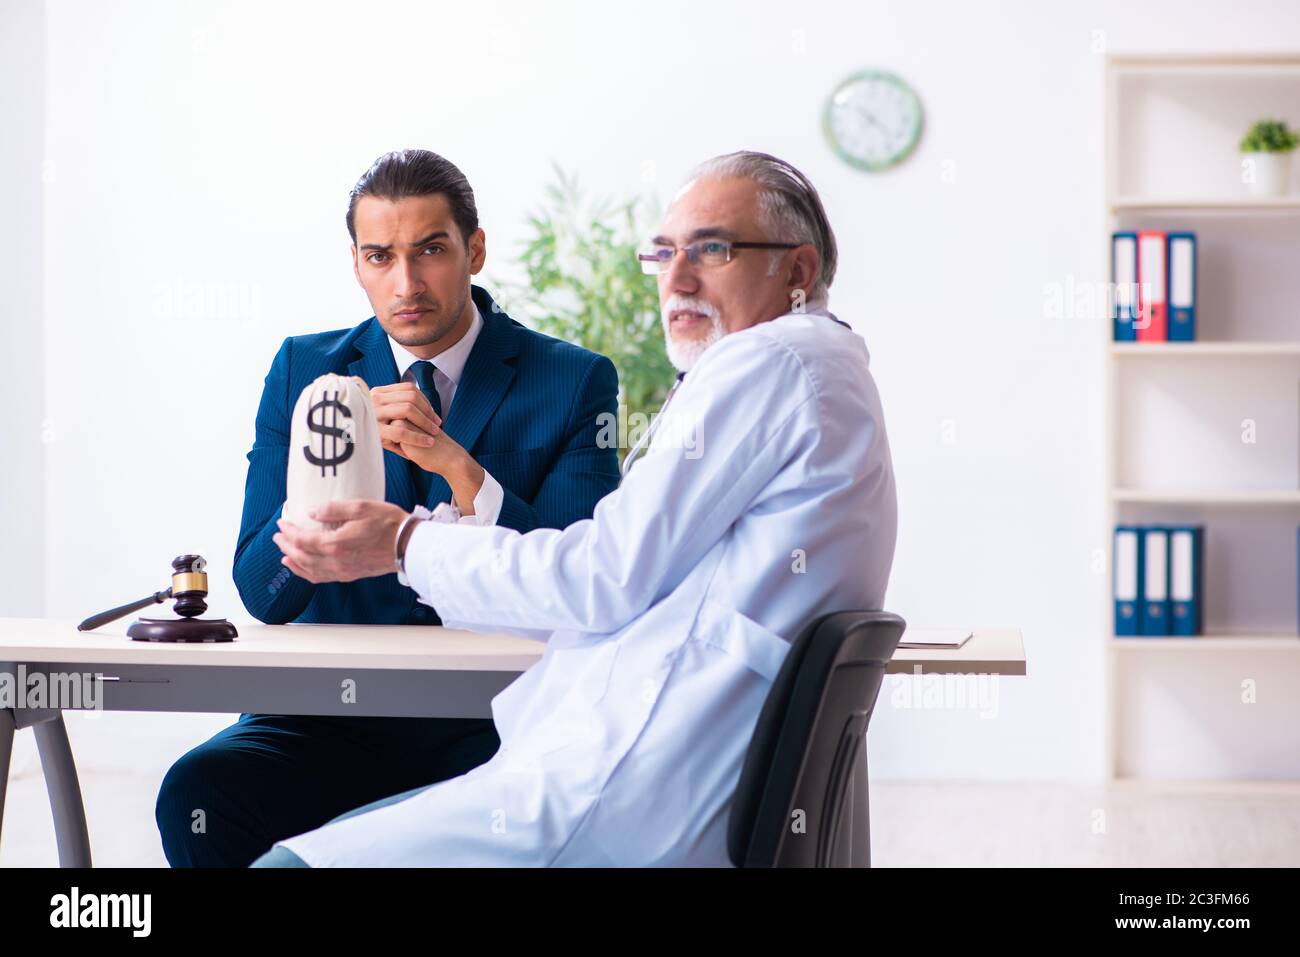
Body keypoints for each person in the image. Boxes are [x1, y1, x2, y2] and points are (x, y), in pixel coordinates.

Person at [258, 150, 897, 866]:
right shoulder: (811, 369)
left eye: (711, 251)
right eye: (663, 253)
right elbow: (607, 588)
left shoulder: (768, 363)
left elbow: (601, 575)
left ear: (798, 272)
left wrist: (406, 545)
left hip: (617, 786)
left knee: (289, 863)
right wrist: (417, 542)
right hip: (622, 768)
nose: (676, 279)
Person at [155, 149, 621, 867]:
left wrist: (457, 467)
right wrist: (323, 477)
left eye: (431, 250)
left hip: (493, 720)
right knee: (200, 792)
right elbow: (262, 593)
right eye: (381, 256)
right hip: (322, 720)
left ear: (476, 250)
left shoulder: (573, 379)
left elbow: (579, 582)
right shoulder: (303, 370)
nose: (406, 282)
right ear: (357, 264)